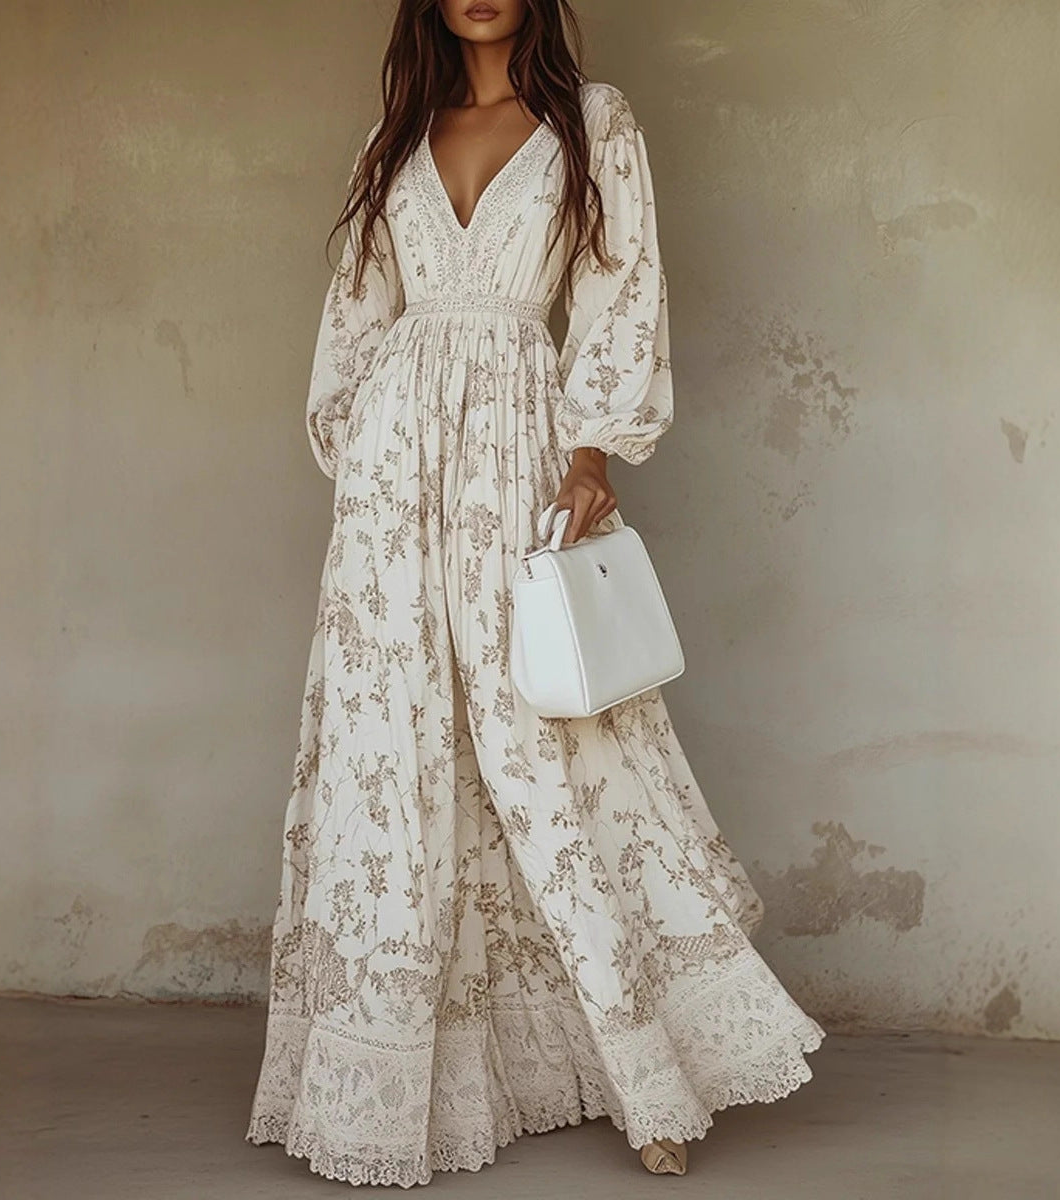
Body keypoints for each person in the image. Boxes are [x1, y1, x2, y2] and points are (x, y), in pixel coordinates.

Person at [246, 0, 824, 1186]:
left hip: (518, 448)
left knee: (550, 750)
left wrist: (590, 453)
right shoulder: (389, 137)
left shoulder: (591, 123)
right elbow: (354, 324)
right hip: (394, 483)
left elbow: (620, 289)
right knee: (400, 750)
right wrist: (366, 455)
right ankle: (407, 1090)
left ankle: (648, 1078)